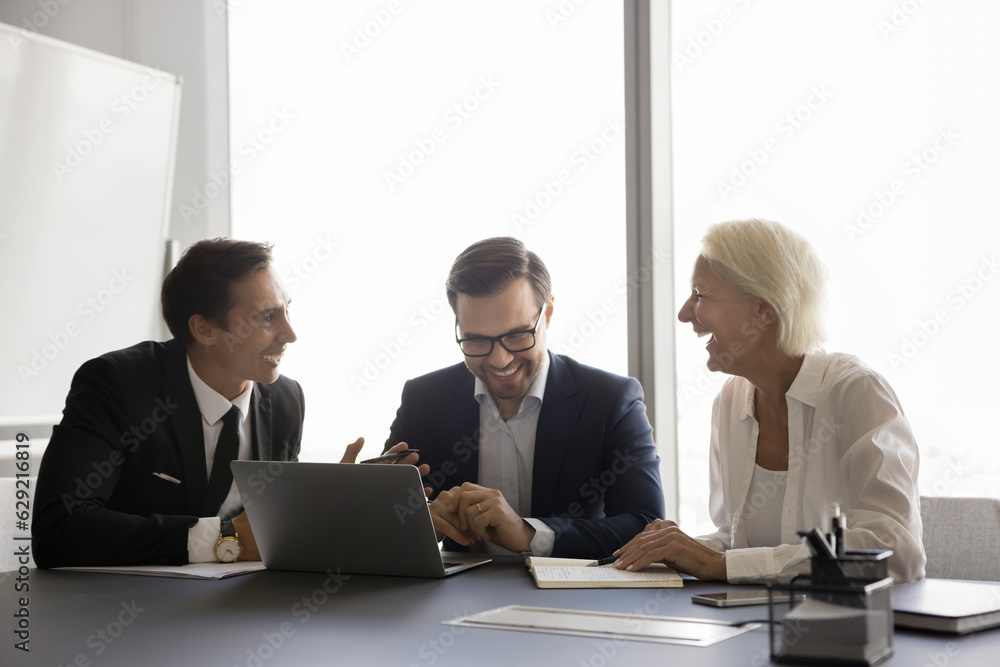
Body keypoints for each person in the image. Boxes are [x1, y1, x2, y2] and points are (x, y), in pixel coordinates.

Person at [32, 238, 417, 567]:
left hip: (247, 613)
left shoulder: (285, 399)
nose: (290, 334)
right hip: (127, 618)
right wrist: (223, 539)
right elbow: (59, 530)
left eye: (287, 310)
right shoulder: (118, 384)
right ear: (204, 329)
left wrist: (330, 501)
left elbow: (268, 528)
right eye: (267, 317)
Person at [612, 219, 925, 583]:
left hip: (847, 634)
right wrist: (674, 549)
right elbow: (738, 543)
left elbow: (894, 551)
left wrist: (722, 563)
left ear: (763, 311)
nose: (684, 314)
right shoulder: (729, 402)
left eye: (700, 294)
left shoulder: (857, 393)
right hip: (754, 627)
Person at [384, 237, 664, 558]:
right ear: (458, 326)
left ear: (547, 315)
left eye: (517, 335)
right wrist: (416, 521)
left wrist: (529, 533)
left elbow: (646, 526)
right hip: (455, 601)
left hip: (574, 601)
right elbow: (383, 515)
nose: (500, 360)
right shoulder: (424, 400)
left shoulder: (612, 401)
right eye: (476, 340)